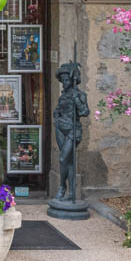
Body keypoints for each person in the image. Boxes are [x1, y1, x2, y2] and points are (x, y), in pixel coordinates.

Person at [52, 61, 89, 202]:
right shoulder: (62, 97)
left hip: (73, 130)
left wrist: (77, 101)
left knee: (63, 159)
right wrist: (56, 117)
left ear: (73, 80)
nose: (64, 83)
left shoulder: (80, 95)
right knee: (69, 162)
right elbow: (57, 110)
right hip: (60, 129)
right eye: (62, 80)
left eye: (67, 80)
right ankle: (72, 192)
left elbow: (85, 112)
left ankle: (62, 187)